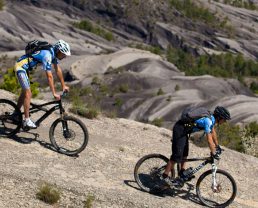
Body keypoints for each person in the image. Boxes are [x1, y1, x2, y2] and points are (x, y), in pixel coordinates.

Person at [161, 106, 231, 186]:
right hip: (180, 129)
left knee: (185, 153)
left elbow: (213, 132)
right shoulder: (208, 120)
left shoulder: (212, 119)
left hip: (185, 131)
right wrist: (214, 152)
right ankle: (165, 176)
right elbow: (209, 139)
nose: (225, 121)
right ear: (220, 117)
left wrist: (217, 145)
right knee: (177, 156)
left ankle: (182, 172)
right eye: (224, 119)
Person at [14, 39, 71, 128]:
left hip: (25, 68)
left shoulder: (52, 53)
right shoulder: (47, 55)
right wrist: (54, 93)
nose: (65, 57)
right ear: (59, 51)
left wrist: (63, 85)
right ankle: (26, 120)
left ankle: (15, 114)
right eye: (64, 54)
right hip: (20, 67)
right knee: (28, 93)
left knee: (24, 93)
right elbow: (49, 76)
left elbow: (57, 69)